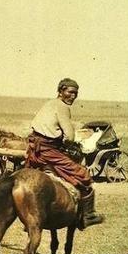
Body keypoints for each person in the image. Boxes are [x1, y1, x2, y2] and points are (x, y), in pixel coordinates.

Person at [25, 78, 104, 229]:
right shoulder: (62, 107)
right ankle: (88, 215)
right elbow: (70, 135)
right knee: (83, 175)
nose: (73, 96)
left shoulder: (49, 103)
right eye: (70, 92)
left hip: (35, 148)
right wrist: (71, 142)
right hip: (48, 150)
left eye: (76, 93)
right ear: (61, 91)